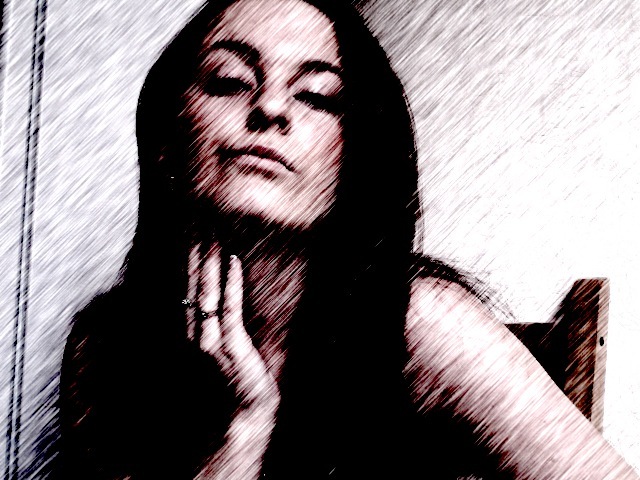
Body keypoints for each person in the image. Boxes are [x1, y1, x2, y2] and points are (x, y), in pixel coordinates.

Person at [59, 0, 639, 478]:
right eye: (230, 81)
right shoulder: (106, 347)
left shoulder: (421, 322)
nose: (269, 107)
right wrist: (245, 430)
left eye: (316, 96)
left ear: (352, 163)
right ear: (166, 143)